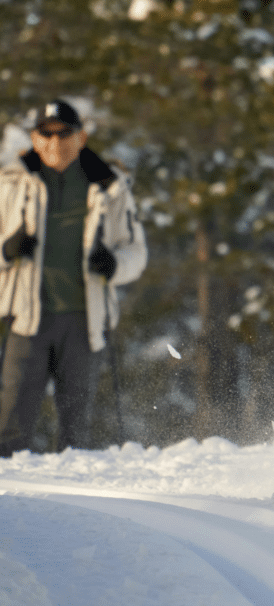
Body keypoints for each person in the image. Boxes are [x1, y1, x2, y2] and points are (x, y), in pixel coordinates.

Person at [0, 99, 147, 457]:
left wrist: (114, 265)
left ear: (80, 137)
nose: (55, 143)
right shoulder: (10, 185)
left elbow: (136, 253)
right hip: (27, 317)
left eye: (64, 133)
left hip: (85, 322)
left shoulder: (110, 187)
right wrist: (7, 250)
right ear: (34, 139)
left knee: (76, 433)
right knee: (8, 428)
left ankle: (75, 507)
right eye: (46, 134)